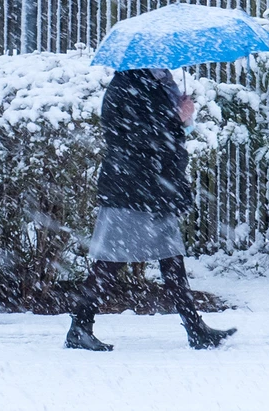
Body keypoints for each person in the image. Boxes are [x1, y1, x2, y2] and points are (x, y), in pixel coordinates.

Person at [65, 68, 237, 351]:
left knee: (171, 261)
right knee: (110, 262)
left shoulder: (161, 83)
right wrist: (175, 117)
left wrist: (184, 119)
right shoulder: (126, 85)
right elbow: (131, 135)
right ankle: (79, 327)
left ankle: (195, 328)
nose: (165, 65)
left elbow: (166, 134)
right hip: (131, 188)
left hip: (157, 189)